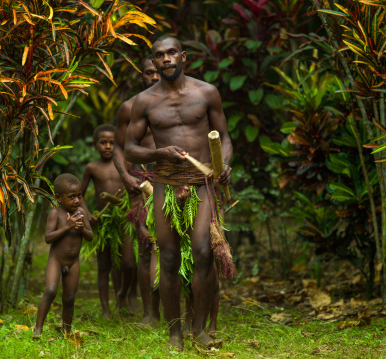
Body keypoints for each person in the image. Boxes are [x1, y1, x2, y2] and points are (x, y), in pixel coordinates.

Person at [124, 35, 233, 350]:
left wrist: (223, 163)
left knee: (203, 251)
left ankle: (198, 328)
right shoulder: (145, 101)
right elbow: (130, 149)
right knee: (169, 258)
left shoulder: (206, 93)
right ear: (154, 63)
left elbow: (224, 137)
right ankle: (175, 334)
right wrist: (159, 154)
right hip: (165, 183)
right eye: (159, 55)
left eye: (172, 53)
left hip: (201, 183)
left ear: (183, 56)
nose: (166, 59)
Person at [113, 55, 161, 327]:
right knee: (146, 246)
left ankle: (185, 315)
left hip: (175, 181)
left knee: (179, 247)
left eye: (157, 72)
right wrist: (127, 178)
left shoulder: (180, 105)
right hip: (142, 183)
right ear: (141, 75)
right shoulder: (129, 108)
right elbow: (120, 148)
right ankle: (150, 314)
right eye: (148, 72)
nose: (153, 77)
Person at [81, 124, 138, 319]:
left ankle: (123, 294)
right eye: (103, 143)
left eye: (112, 143)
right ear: (95, 145)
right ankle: (106, 308)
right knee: (104, 264)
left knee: (128, 263)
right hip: (102, 220)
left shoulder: (126, 166)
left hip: (125, 218)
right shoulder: (92, 168)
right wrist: (88, 214)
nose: (108, 146)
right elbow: (78, 194)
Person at [34, 173, 93, 336]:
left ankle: (67, 331)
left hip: (73, 263)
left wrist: (82, 229)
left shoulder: (81, 213)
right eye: (71, 197)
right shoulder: (55, 214)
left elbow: (90, 237)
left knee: (69, 298)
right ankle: (38, 329)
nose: (77, 200)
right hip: (56, 260)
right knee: (51, 290)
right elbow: (48, 238)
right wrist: (67, 226)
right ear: (59, 197)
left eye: (79, 196)